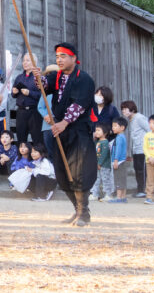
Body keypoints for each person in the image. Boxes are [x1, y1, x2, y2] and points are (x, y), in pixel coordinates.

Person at [28, 43, 99, 227]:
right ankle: (78, 210)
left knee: (78, 171)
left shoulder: (84, 79)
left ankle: (84, 212)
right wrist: (38, 77)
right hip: (60, 131)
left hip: (78, 131)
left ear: (74, 58)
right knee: (62, 171)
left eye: (63, 56)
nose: (59, 59)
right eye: (57, 56)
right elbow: (44, 87)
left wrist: (64, 123)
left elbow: (79, 105)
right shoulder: (56, 77)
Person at [121, 100, 151, 198]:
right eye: (122, 110)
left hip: (143, 149)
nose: (123, 111)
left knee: (142, 169)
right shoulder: (131, 119)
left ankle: (144, 190)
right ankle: (140, 190)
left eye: (125, 109)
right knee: (137, 169)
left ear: (132, 109)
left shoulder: (139, 118)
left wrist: (148, 145)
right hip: (136, 149)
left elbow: (149, 130)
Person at [11, 53, 43, 145]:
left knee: (37, 138)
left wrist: (30, 93)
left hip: (34, 111)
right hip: (21, 112)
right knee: (21, 138)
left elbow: (43, 95)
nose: (25, 62)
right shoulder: (19, 78)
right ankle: (23, 159)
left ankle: (39, 158)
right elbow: (13, 95)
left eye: (28, 60)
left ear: (34, 63)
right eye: (24, 60)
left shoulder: (38, 78)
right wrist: (14, 92)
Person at [91, 123, 114, 202]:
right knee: (96, 179)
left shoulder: (105, 142)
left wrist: (99, 163)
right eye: (96, 130)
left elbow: (104, 154)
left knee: (105, 180)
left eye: (98, 130)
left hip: (104, 165)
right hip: (97, 165)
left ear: (105, 132)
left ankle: (108, 194)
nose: (96, 132)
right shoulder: (98, 141)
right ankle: (95, 194)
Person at [108, 117, 129, 203]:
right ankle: (123, 197)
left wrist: (116, 160)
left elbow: (118, 150)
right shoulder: (121, 137)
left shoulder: (119, 137)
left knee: (119, 180)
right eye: (113, 126)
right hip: (121, 161)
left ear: (122, 127)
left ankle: (119, 197)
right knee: (122, 179)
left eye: (115, 126)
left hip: (119, 161)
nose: (113, 128)